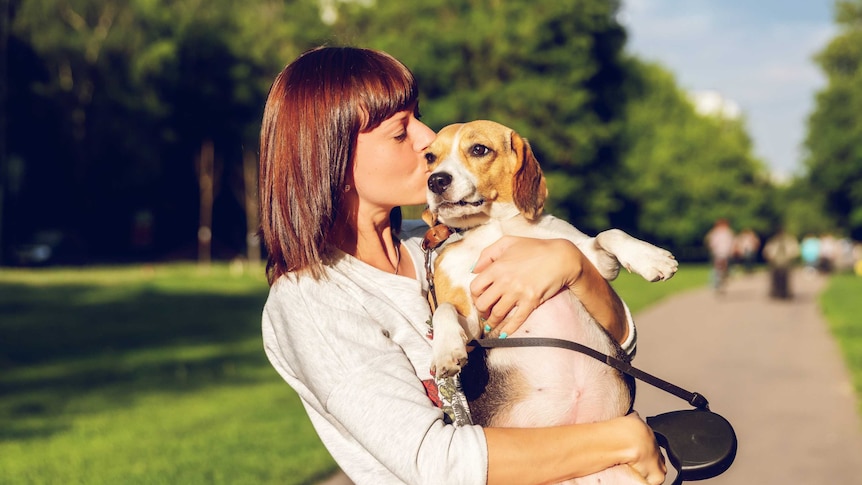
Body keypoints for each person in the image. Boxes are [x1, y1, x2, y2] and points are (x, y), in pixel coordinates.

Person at [258, 46, 665, 485]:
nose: (426, 137)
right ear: (333, 159)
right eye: (400, 132)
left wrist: (573, 266)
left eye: (419, 116)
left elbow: (618, 347)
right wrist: (621, 440)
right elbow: (434, 464)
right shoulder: (313, 299)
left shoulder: (444, 238)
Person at [762, 227, 800, 300]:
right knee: (776, 279)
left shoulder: (789, 240)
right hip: (775, 262)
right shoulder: (773, 241)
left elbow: (794, 250)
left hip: (785, 262)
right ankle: (776, 292)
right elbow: (768, 250)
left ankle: (785, 293)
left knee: (785, 279)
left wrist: (790, 256)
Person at [704, 218, 735, 292]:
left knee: (721, 268)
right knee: (719, 268)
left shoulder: (725, 232)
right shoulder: (718, 232)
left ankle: (719, 281)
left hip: (723, 253)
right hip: (719, 253)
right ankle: (717, 282)